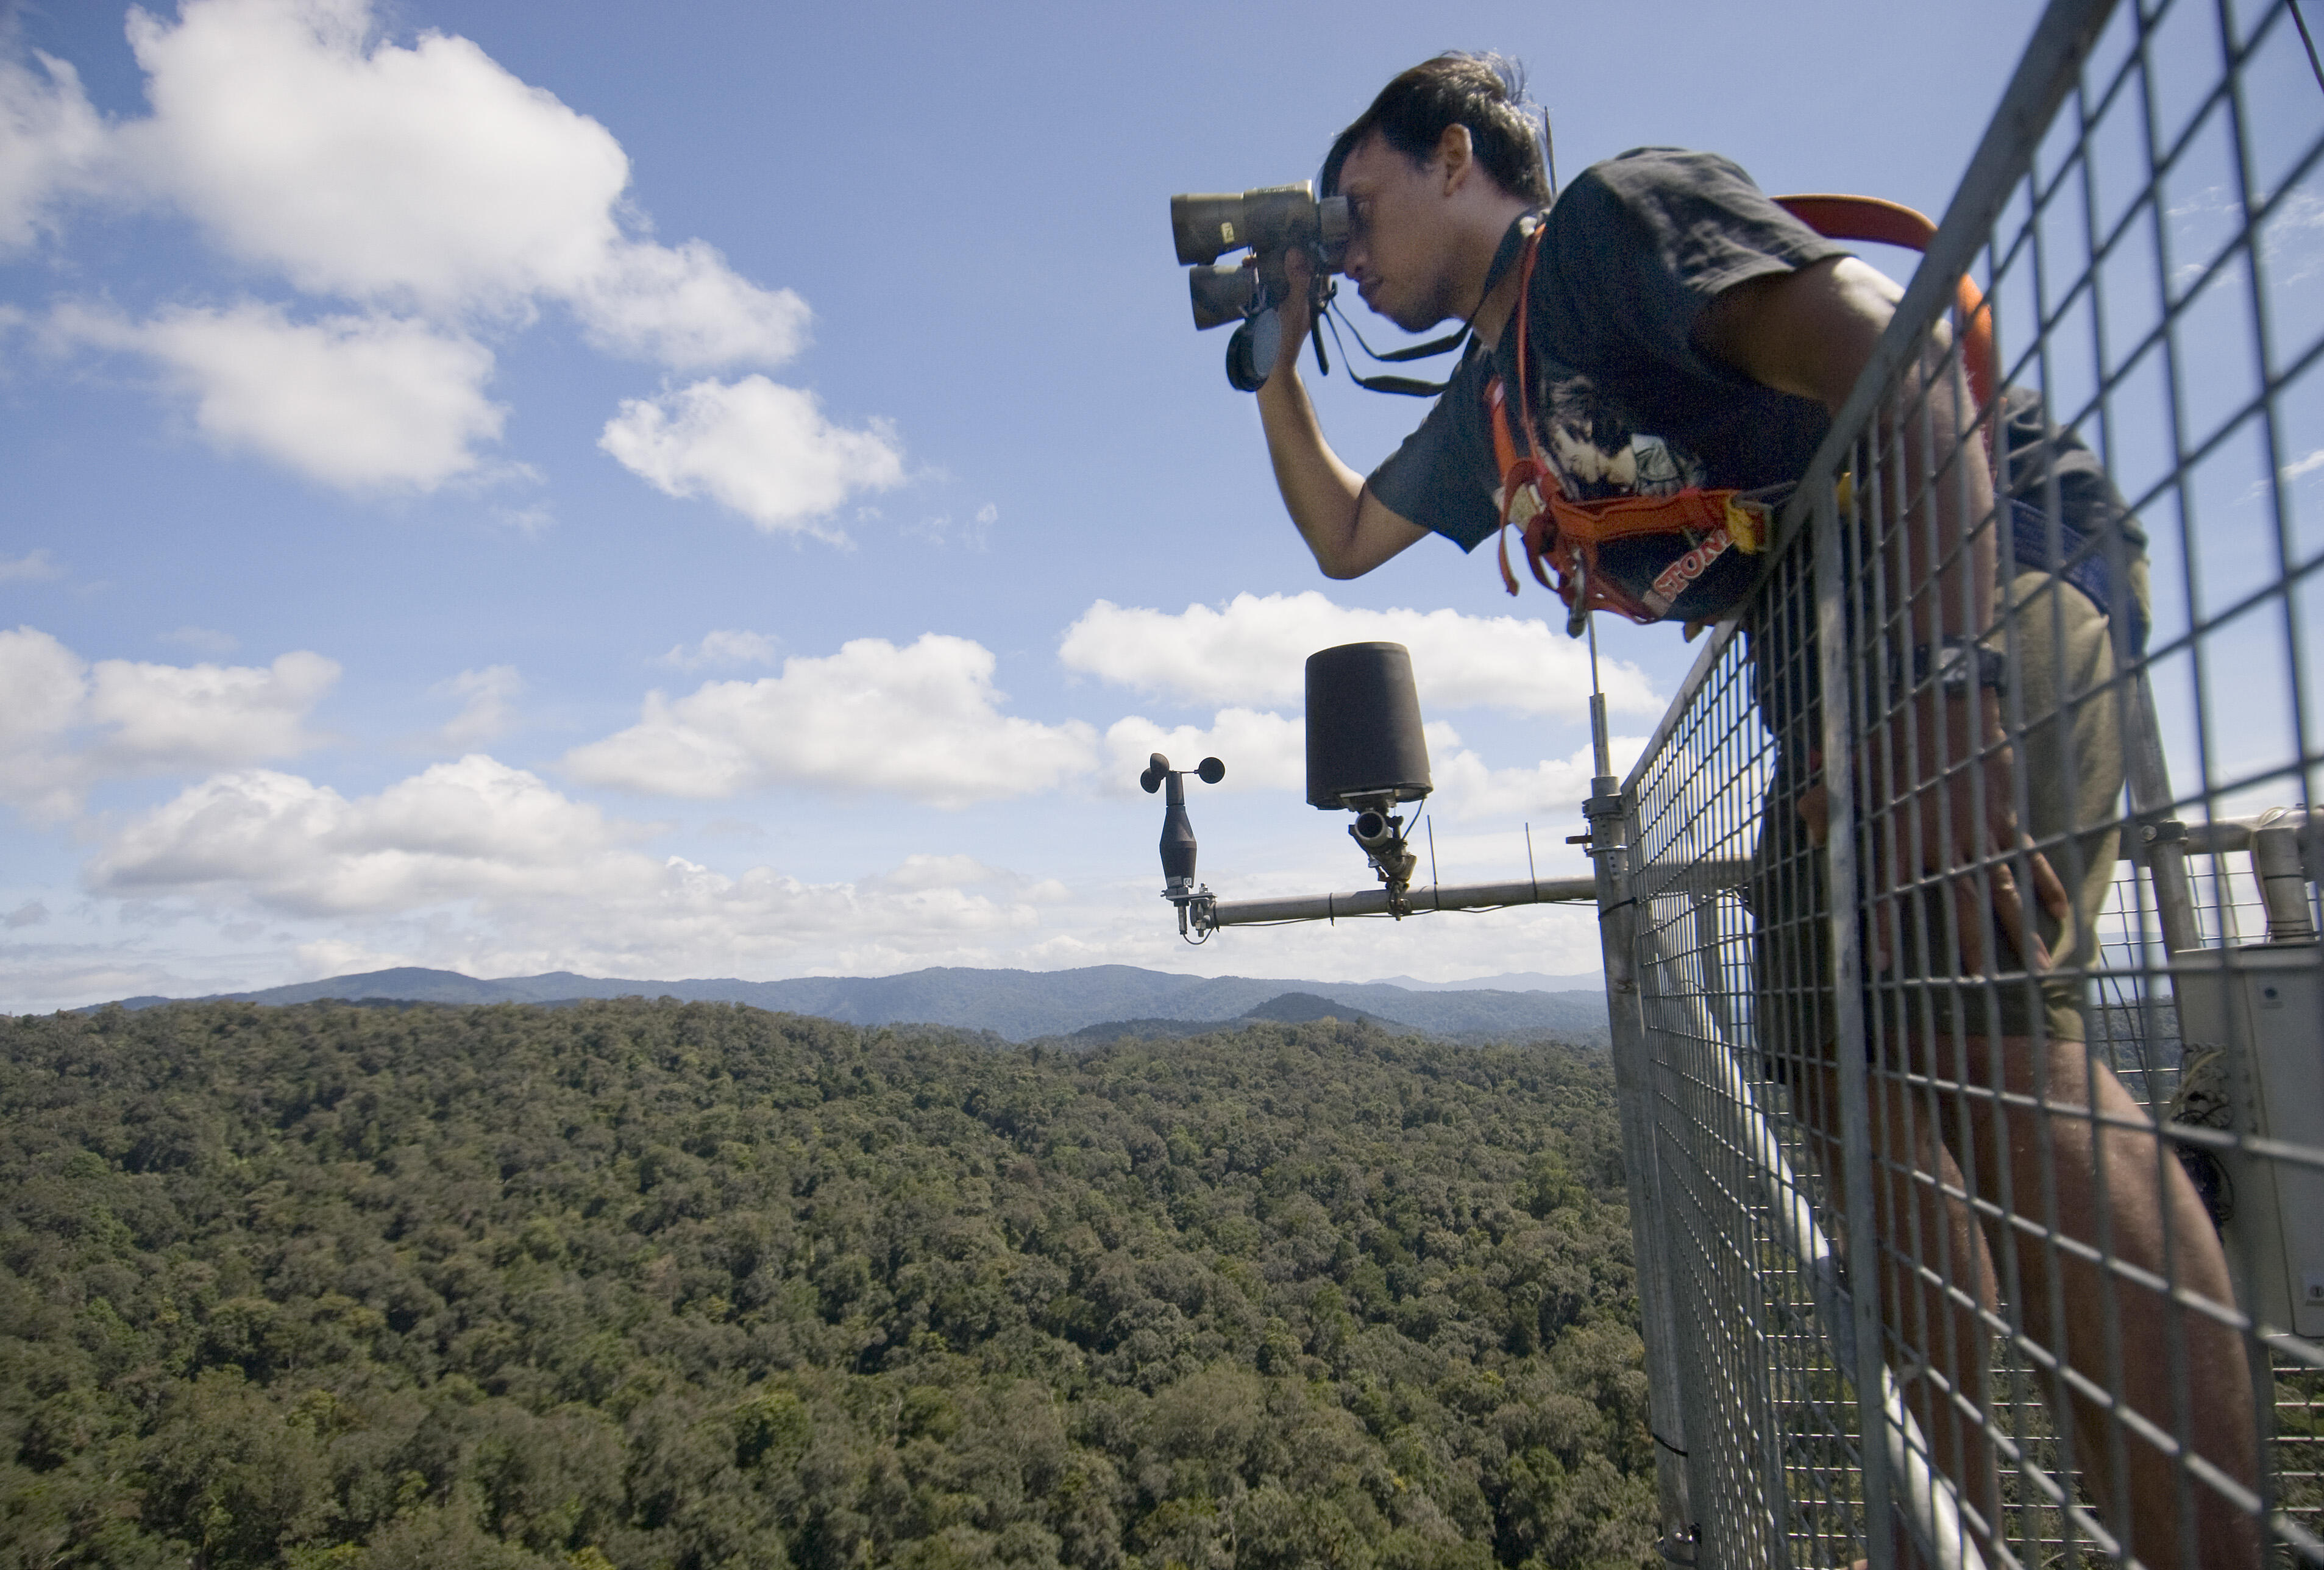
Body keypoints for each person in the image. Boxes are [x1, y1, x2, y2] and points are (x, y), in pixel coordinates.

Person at [1245, 52, 2258, 1570]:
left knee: (1980, 1045)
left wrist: (1946, 688)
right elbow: (1340, 534)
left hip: (1978, 591)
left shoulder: (1605, 229)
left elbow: (1892, 356)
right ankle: (1943, 1523)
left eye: (1357, 206)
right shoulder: (1492, 399)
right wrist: (1273, 356)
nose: (1347, 245)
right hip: (1827, 698)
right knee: (1838, 1075)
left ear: (1455, 158)